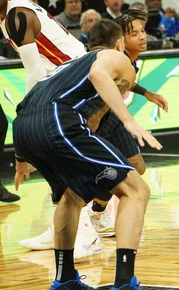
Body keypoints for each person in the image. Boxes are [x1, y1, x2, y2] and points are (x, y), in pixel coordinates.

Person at [13, 19, 162, 290]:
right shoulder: (117, 58)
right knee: (136, 190)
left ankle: (65, 279)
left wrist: (21, 161)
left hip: (24, 127)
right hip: (58, 121)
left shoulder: (68, 65)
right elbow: (98, 76)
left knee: (71, 196)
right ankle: (125, 282)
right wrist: (129, 121)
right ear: (119, 42)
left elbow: (26, 107)